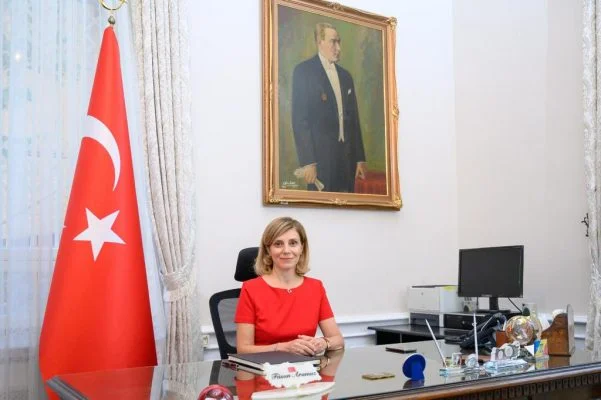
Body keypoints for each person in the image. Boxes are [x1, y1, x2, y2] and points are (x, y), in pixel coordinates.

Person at [235, 217, 344, 355]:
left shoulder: (316, 287)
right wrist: (282, 347)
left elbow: (338, 340)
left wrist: (323, 343)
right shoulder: (251, 289)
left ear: (301, 248)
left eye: (293, 243)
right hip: (265, 367)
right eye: (278, 244)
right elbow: (243, 349)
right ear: (268, 249)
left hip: (305, 366)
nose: (286, 250)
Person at [292, 22, 367, 193]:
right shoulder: (303, 72)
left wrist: (359, 159)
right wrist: (308, 162)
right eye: (333, 42)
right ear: (320, 42)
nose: (338, 48)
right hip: (320, 162)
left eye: (339, 42)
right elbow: (300, 120)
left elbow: (354, 120)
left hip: (347, 161)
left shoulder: (346, 77)